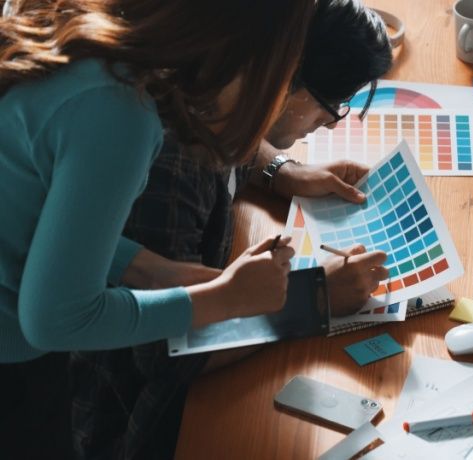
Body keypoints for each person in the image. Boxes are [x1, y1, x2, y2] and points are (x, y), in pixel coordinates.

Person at [68, 1, 394, 458]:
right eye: (330, 107)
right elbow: (166, 349)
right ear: (284, 76)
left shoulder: (218, 101)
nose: (326, 124)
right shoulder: (171, 168)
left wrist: (280, 170)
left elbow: (245, 146)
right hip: (142, 426)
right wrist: (314, 298)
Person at [0, 0, 317, 457]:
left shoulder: (84, 40)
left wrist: (150, 270)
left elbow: (38, 205)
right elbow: (55, 319)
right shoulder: (120, 111)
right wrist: (222, 299)